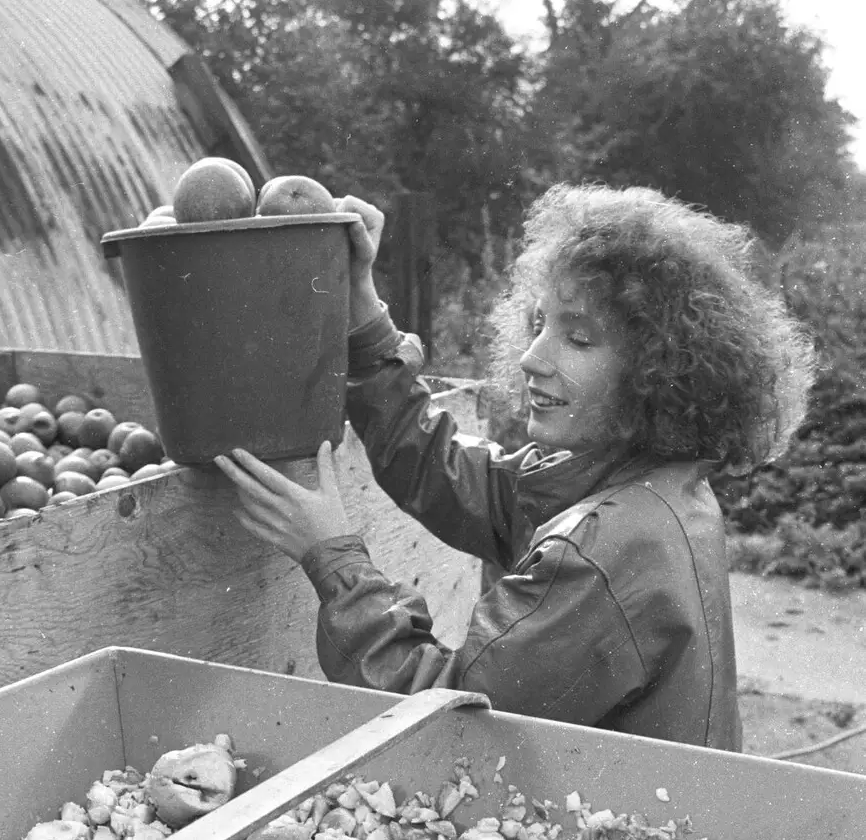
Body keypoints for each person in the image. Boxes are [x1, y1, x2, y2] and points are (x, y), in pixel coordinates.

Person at [214, 183, 814, 750]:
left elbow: (448, 719)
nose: (532, 356)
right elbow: (456, 476)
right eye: (538, 324)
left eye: (578, 340)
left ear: (659, 371)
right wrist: (365, 312)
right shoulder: (645, 481)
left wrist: (333, 558)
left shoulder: (613, 544)